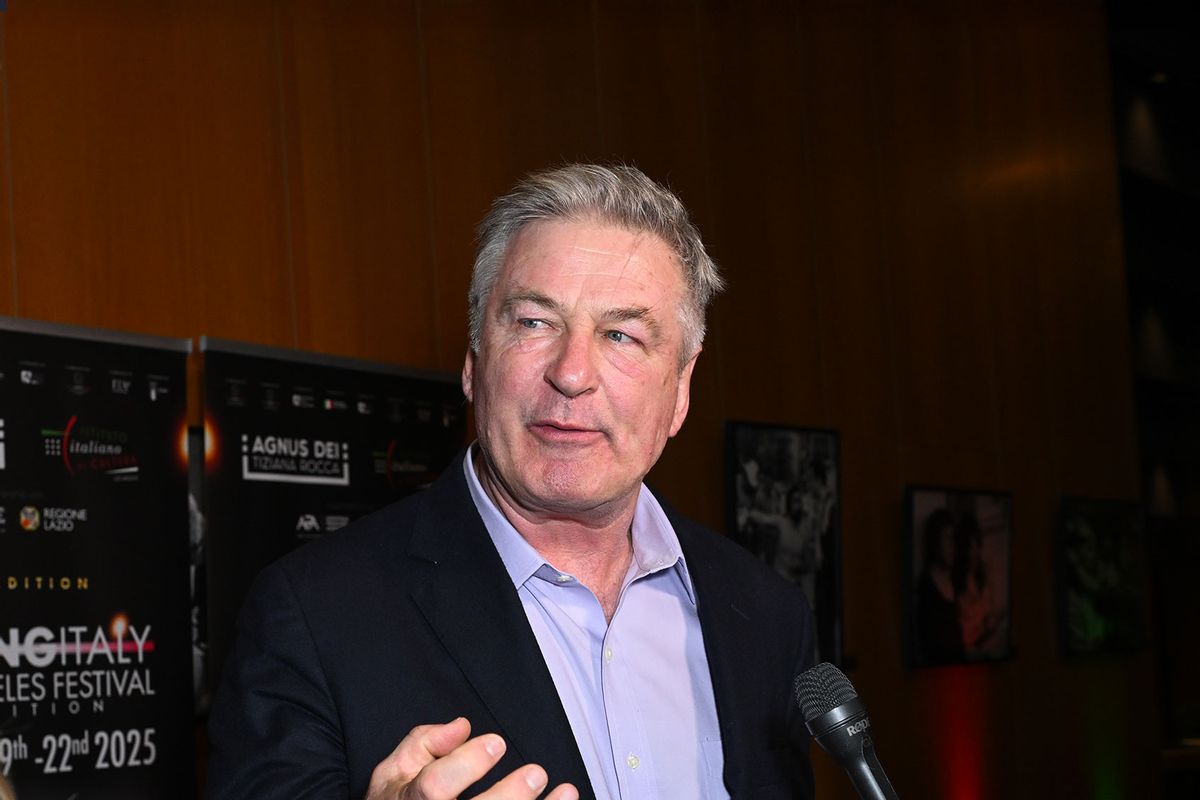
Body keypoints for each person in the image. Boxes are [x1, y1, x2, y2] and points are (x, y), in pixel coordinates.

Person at [205, 164, 817, 800]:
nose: (572, 373)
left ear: (682, 387)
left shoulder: (768, 619)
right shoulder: (313, 615)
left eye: (621, 335)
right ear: (474, 362)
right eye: (533, 322)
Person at [913, 507, 964, 664]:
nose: (953, 547)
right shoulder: (926, 586)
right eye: (947, 539)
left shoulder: (956, 580)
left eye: (954, 540)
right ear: (936, 541)